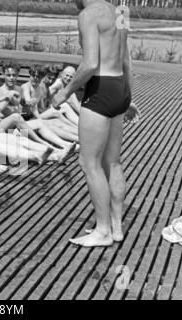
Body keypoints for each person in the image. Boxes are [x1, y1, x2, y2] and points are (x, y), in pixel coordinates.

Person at [52, 0, 140, 247]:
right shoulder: (121, 11)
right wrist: (127, 98)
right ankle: (116, 227)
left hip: (101, 88)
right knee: (112, 161)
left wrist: (65, 91)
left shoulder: (88, 15)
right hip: (119, 86)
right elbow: (126, 60)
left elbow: (90, 64)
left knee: (89, 162)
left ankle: (102, 231)